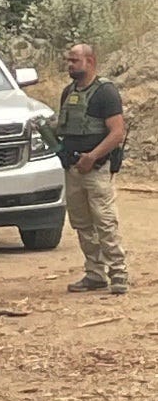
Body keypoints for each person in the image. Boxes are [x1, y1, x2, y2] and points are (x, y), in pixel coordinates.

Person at [57, 44, 128, 294]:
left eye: (75, 60)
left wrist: (92, 156)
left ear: (90, 61)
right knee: (82, 223)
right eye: (69, 60)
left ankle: (118, 272)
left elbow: (117, 133)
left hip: (96, 168)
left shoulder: (105, 93)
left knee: (105, 220)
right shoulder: (69, 92)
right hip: (74, 168)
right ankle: (95, 273)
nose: (70, 65)